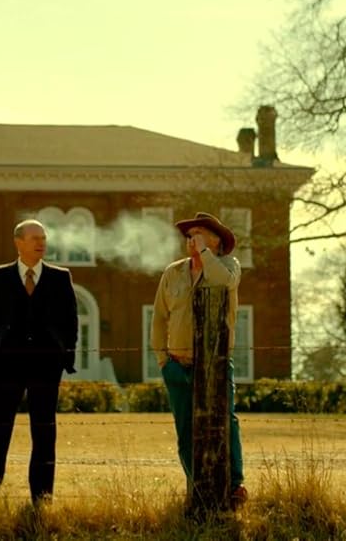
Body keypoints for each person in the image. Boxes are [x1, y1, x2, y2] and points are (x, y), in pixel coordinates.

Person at [0, 219, 78, 506]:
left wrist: (64, 358)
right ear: (18, 242)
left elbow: (71, 322)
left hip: (46, 368)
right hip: (6, 367)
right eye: (34, 238)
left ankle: (42, 499)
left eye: (43, 237)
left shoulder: (60, 278)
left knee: (44, 432)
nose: (40, 243)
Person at [150, 211, 248, 509]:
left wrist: (205, 253)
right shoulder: (173, 273)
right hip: (177, 366)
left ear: (216, 241)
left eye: (200, 235)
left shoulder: (228, 266)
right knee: (185, 430)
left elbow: (224, 282)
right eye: (190, 236)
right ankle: (198, 487)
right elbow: (159, 318)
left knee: (225, 423)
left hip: (215, 366)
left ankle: (234, 485)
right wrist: (163, 361)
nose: (192, 240)